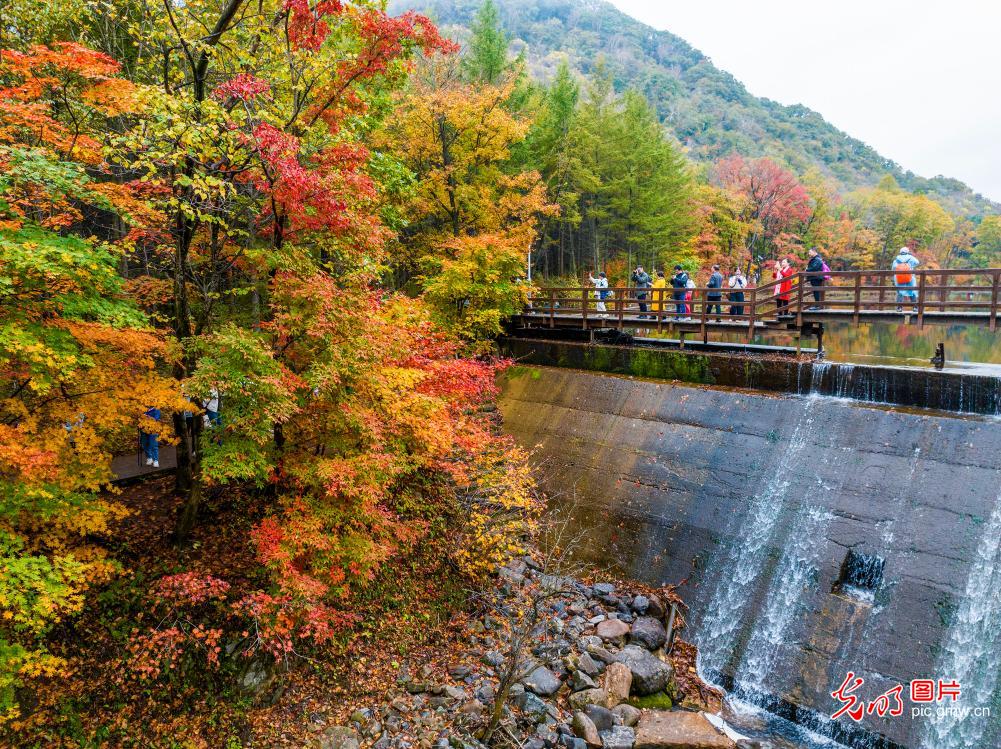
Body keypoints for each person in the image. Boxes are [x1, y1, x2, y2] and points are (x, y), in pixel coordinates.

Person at [892, 246, 920, 311]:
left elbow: (893, 269)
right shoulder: (911, 258)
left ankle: (899, 308)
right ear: (907, 252)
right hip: (910, 277)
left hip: (899, 278)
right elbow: (917, 262)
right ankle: (915, 308)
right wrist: (911, 265)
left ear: (900, 252)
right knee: (912, 291)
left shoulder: (896, 259)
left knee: (900, 292)